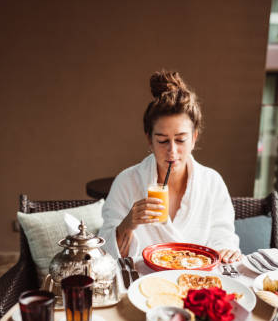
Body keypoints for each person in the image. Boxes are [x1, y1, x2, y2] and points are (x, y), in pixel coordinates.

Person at [99, 70, 241, 263]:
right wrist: (128, 223)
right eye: (162, 141)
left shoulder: (211, 182)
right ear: (149, 139)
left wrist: (227, 250)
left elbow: (223, 237)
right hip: (144, 284)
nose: (172, 151)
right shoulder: (127, 181)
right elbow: (105, 256)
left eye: (181, 140)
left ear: (194, 138)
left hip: (197, 281)